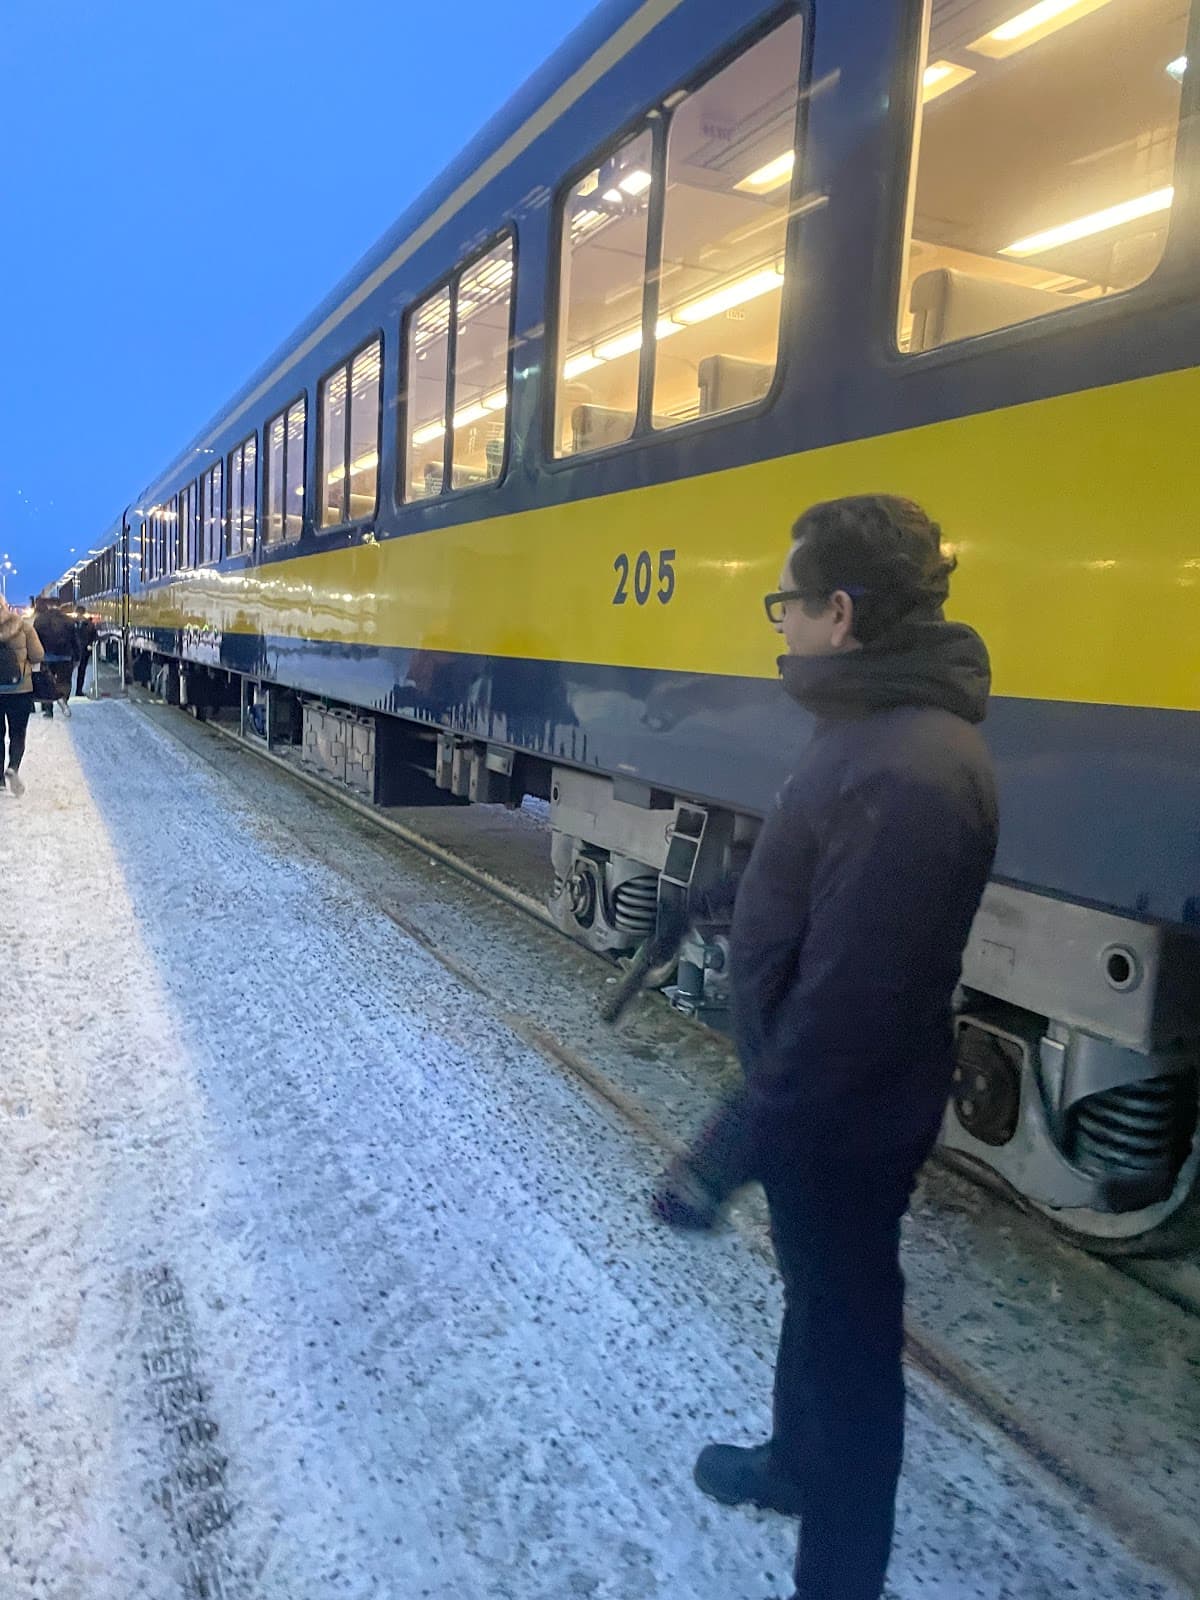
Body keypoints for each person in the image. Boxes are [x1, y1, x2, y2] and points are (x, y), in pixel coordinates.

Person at [655, 495, 999, 1600]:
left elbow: (853, 1005)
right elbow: (811, 886)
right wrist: (708, 904)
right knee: (816, 1294)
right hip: (821, 1106)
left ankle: (837, 1574)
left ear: (839, 613)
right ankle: (796, 1465)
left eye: (788, 605)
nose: (784, 625)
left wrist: (724, 1147)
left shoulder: (911, 771)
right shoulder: (872, 733)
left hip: (845, 1112)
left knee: (851, 1339)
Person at [0, 598, 46, 796]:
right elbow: (38, 655)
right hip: (20, 689)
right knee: (18, 733)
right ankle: (13, 767)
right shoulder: (24, 628)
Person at [32, 597, 77, 718]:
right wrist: (76, 656)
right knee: (64, 681)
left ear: (48, 605)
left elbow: (35, 640)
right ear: (60, 605)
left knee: (47, 683)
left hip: (46, 657)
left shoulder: (39, 620)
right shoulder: (69, 620)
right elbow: (74, 640)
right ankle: (63, 700)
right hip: (65, 656)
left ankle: (48, 710)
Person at [74, 608, 99, 698]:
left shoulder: (71, 623)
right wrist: (90, 644)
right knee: (81, 671)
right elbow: (95, 636)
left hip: (74, 651)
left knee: (71, 672)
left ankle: (72, 691)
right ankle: (78, 690)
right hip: (84, 650)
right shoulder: (90, 624)